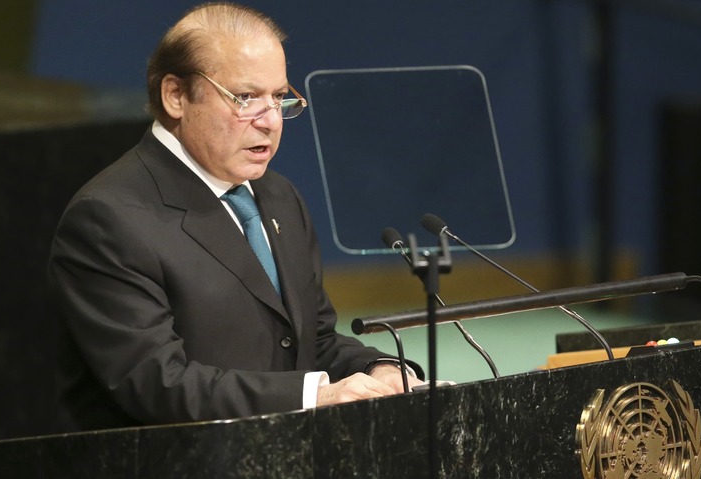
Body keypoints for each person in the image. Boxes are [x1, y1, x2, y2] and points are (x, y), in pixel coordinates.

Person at [48, 2, 423, 432]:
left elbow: (312, 342)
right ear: (176, 96)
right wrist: (315, 396)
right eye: (245, 98)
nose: (270, 122)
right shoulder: (109, 218)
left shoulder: (279, 196)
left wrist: (380, 368)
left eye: (279, 97)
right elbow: (158, 384)